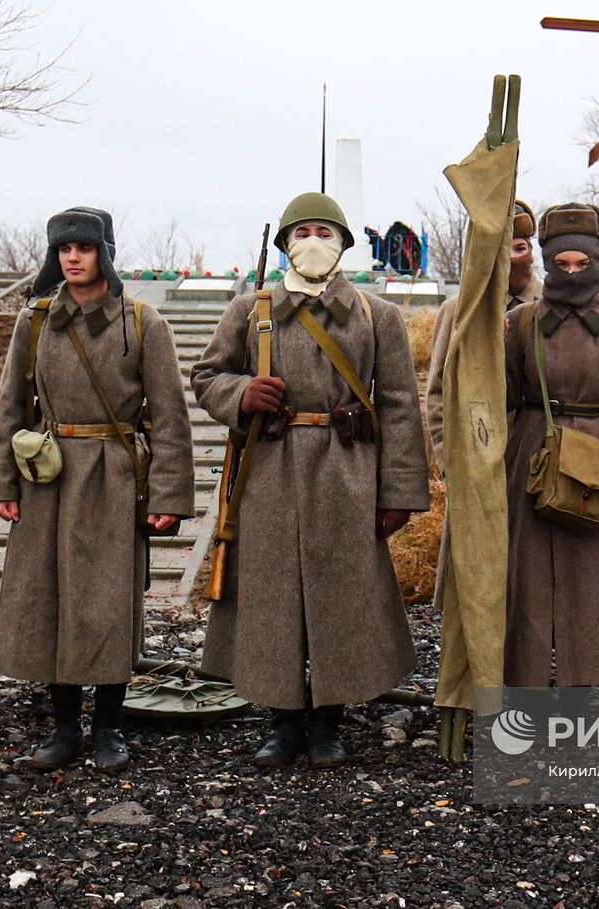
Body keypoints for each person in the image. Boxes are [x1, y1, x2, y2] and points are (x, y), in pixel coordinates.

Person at [192, 192, 430, 768]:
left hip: (347, 470)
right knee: (273, 599)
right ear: (285, 246)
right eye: (301, 233)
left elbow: (399, 406)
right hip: (269, 471)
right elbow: (206, 376)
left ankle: (330, 723)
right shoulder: (250, 311)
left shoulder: (379, 316)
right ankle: (283, 721)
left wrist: (399, 491)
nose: (313, 242)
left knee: (341, 598)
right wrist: (240, 393)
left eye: (326, 232)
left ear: (345, 244)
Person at [0, 207, 194, 771]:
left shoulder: (142, 321)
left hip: (113, 476)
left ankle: (108, 730)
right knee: (51, 600)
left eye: (82, 247)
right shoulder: (33, 321)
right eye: (63, 249)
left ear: (104, 251)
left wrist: (169, 499)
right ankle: (62, 729)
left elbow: (170, 416)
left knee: (105, 604)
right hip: (47, 477)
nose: (72, 258)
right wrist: (3, 482)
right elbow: (11, 408)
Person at [504, 202, 599, 687]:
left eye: (582, 263)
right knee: (526, 587)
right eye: (561, 264)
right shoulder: (521, 323)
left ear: (596, 261)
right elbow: (499, 397)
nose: (571, 273)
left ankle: (585, 694)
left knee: (595, 588)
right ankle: (523, 700)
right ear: (547, 263)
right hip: (533, 457)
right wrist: (485, 341)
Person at [426, 199, 541, 471]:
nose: (513, 257)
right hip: (473, 458)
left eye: (520, 248)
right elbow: (438, 391)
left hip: (536, 460)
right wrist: (448, 459)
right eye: (504, 249)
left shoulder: (550, 306)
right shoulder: (459, 310)